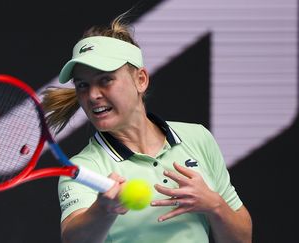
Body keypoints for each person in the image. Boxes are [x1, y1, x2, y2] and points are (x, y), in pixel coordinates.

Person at [41, 11, 252, 243]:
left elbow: (242, 238)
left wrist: (215, 205)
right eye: (82, 85)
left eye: (105, 80)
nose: (92, 96)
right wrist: (103, 209)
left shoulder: (197, 137)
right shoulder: (84, 167)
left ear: (141, 80)